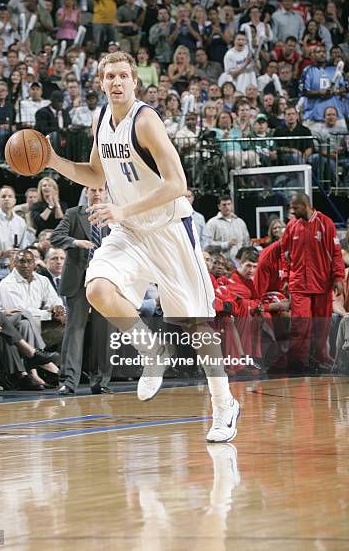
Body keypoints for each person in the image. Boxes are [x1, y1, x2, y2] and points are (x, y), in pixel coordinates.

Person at [44, 50, 239, 443]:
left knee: (197, 323)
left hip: (168, 229)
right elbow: (95, 173)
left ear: (135, 81)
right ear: (100, 83)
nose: (115, 82)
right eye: (109, 76)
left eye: (122, 76)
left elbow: (177, 184)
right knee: (97, 288)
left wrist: (121, 209)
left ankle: (224, 403)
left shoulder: (146, 121)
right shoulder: (101, 118)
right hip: (131, 230)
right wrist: (53, 159)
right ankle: (151, 351)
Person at [51, 186, 113, 395]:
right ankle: (68, 382)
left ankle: (100, 381)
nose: (96, 194)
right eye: (92, 190)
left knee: (103, 332)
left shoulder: (113, 215)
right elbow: (56, 236)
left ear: (105, 193)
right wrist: (75, 242)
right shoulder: (74, 214)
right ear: (86, 192)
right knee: (74, 331)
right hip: (78, 280)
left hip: (104, 280)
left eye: (100, 190)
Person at [281, 193, 345, 372]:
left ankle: (318, 360)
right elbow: (283, 254)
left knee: (321, 325)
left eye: (295, 208)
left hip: (322, 284)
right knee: (300, 324)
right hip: (299, 285)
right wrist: (286, 277)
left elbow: (336, 253)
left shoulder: (326, 223)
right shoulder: (292, 226)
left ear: (306, 205)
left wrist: (338, 277)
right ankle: (297, 363)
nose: (292, 211)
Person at [203, 195, 250, 260]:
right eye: (224, 205)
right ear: (219, 206)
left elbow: (246, 243)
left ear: (232, 205)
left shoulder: (240, 222)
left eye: (229, 204)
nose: (227, 207)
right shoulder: (212, 223)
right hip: (221, 263)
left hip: (239, 262)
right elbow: (207, 244)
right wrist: (226, 244)